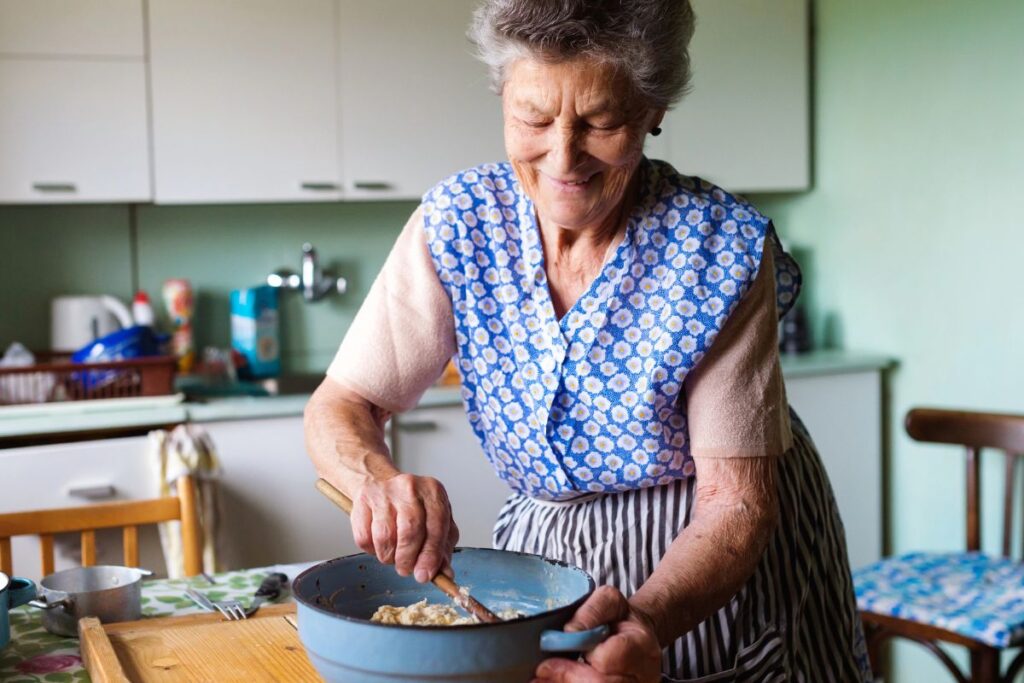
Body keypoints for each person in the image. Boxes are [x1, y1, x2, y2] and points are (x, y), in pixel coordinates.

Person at [305, 1, 870, 680]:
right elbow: (343, 401)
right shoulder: (457, 222)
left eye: (601, 122)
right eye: (534, 119)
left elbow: (736, 503)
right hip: (550, 558)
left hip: (713, 560)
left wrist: (647, 619)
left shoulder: (720, 249)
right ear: (502, 98)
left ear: (653, 110)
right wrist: (376, 480)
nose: (563, 155)